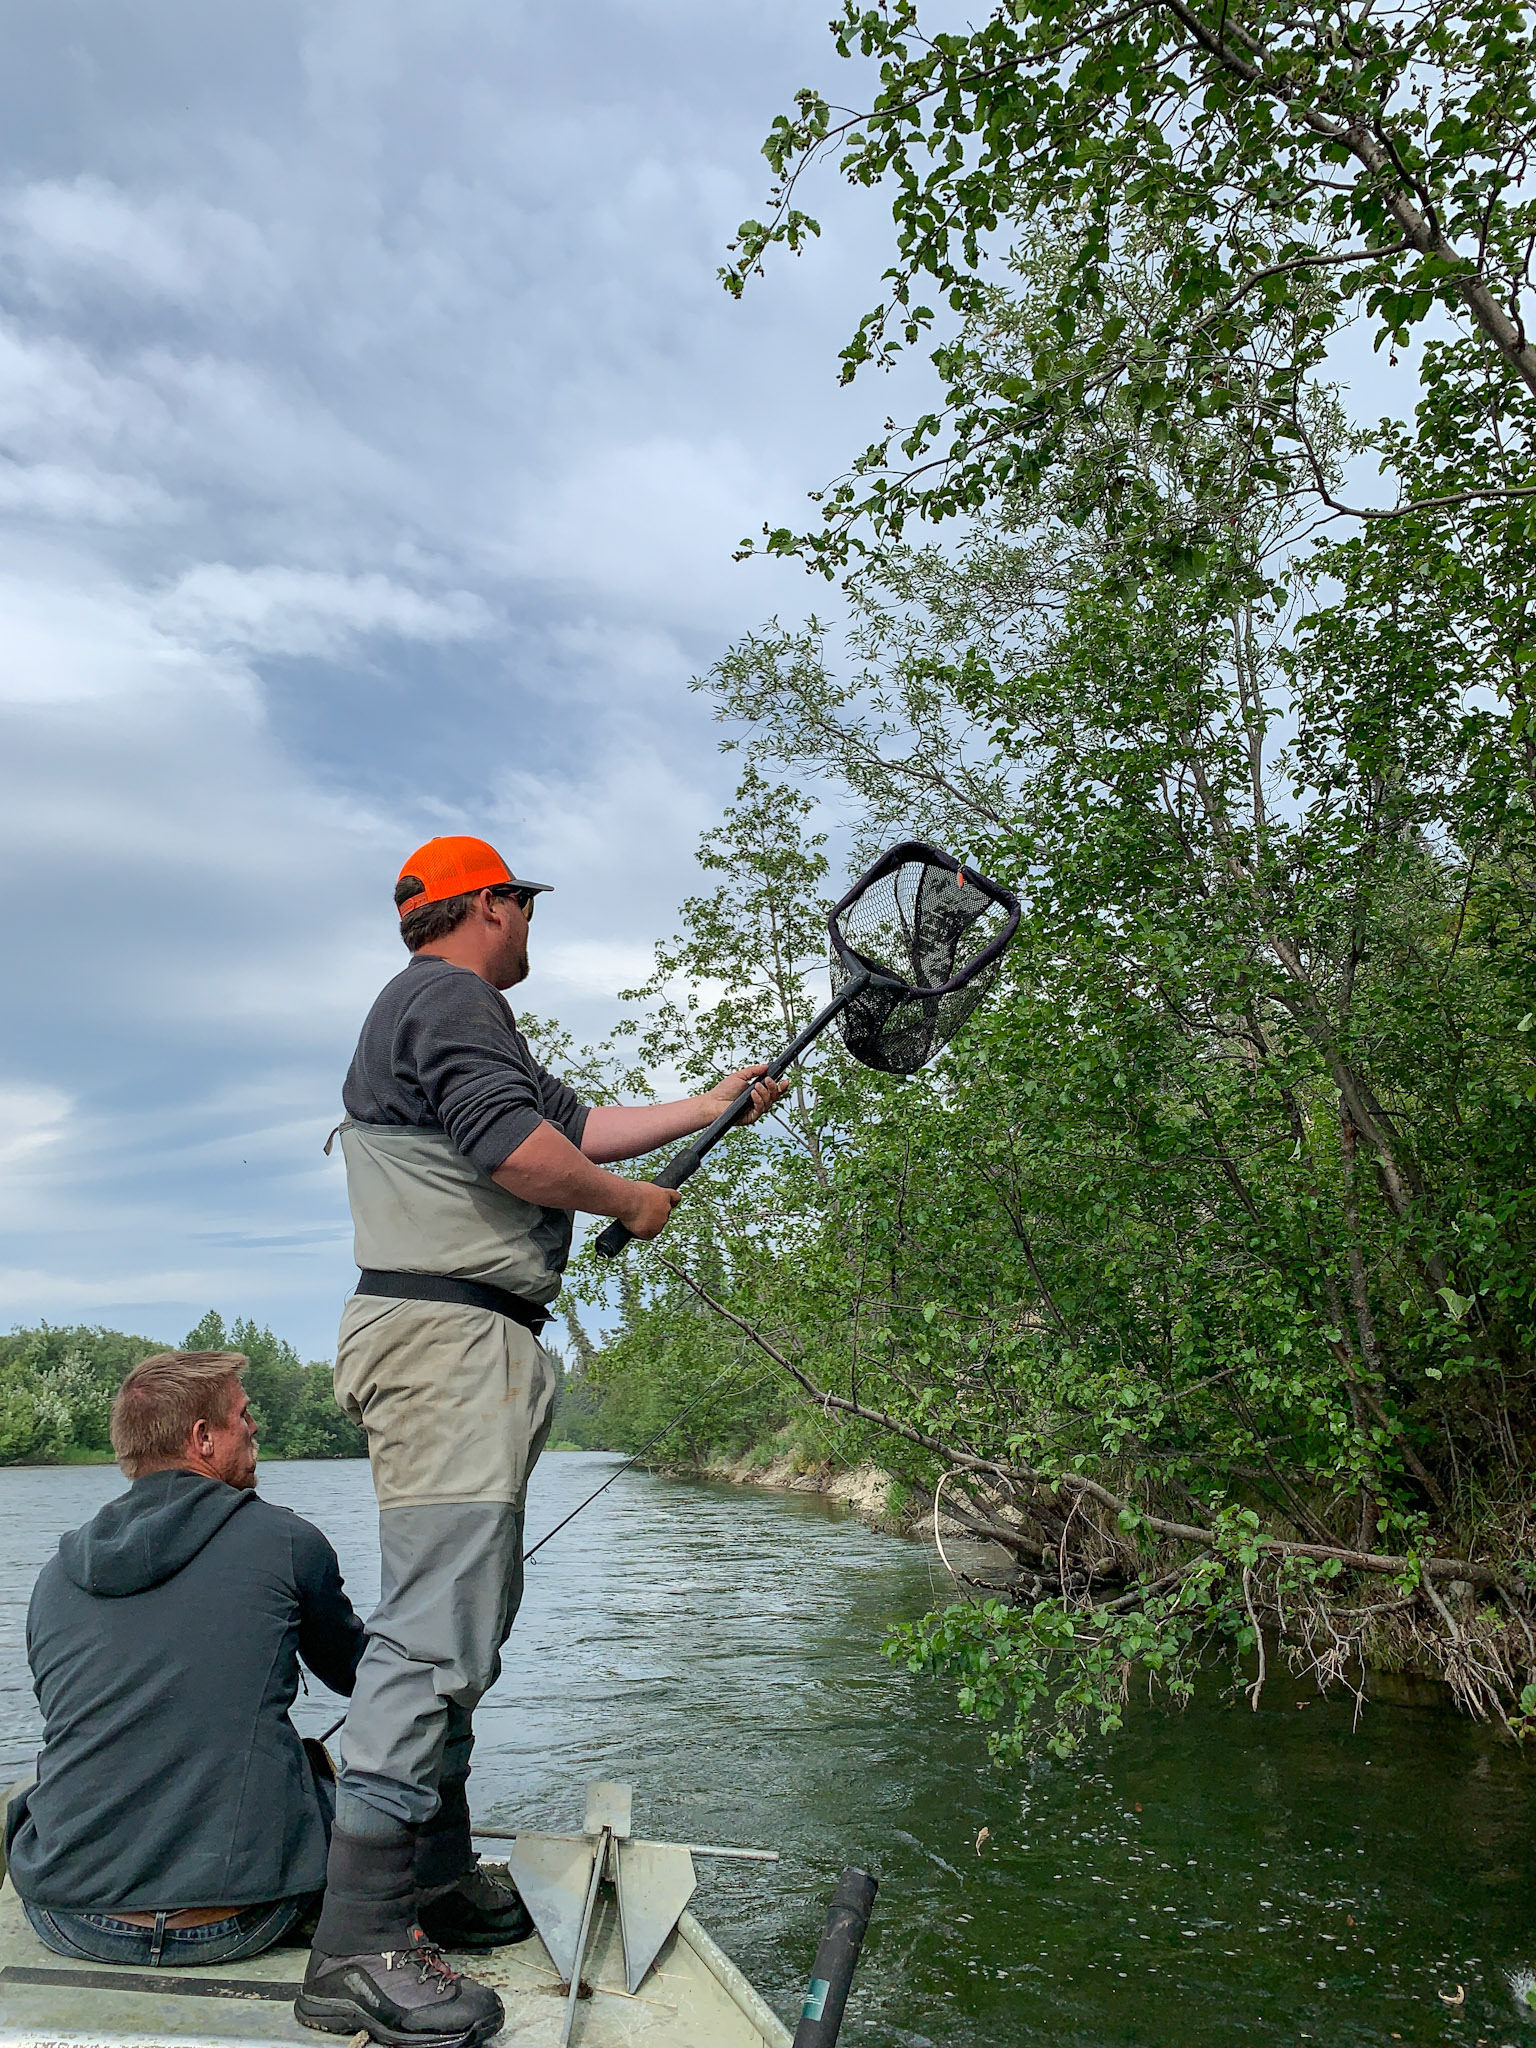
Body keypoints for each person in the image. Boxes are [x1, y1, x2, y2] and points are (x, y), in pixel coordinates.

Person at [297, 834, 788, 2046]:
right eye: (522, 904)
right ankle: (356, 1949)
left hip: (466, 1344)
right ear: (490, 907)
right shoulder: (448, 994)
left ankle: (432, 1876)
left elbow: (568, 1121)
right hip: (448, 1345)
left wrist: (714, 1105)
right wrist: (632, 1204)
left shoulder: (453, 1012)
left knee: (465, 1625)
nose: (530, 924)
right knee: (430, 1639)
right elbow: (517, 1152)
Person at [8, 1350, 366, 1968]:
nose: (255, 1427)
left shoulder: (55, 1574)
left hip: (69, 1913)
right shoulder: (286, 1540)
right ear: (203, 1438)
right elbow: (362, 1678)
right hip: (242, 1915)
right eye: (243, 1415)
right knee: (337, 1780)